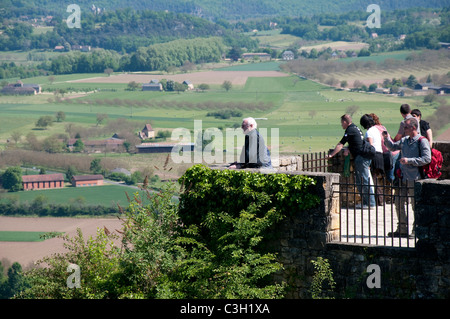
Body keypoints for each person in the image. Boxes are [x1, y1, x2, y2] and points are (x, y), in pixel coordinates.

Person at [382, 118, 431, 238]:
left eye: (406, 127)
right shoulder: (404, 140)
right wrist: (386, 138)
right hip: (402, 177)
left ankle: (415, 230)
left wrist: (409, 161)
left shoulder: (421, 141)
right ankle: (402, 229)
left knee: (415, 205)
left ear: (413, 128)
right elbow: (393, 147)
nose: (403, 129)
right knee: (398, 203)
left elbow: (427, 158)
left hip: (415, 178)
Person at [327, 114, 376, 208]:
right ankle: (366, 202)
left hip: (361, 158)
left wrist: (331, 155)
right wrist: (349, 148)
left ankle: (370, 203)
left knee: (364, 180)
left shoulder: (350, 130)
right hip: (363, 156)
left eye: (342, 123)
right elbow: (356, 142)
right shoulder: (355, 128)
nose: (341, 125)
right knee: (360, 180)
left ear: (345, 122)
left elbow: (340, 144)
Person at [389, 104, 421, 183]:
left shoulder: (404, 123)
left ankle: (397, 182)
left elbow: (398, 137)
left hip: (406, 145)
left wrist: (391, 139)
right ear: (410, 111)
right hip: (417, 144)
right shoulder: (415, 119)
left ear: (401, 113)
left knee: (397, 165)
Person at [360, 114, 384, 205]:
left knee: (372, 179)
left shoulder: (369, 132)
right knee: (375, 179)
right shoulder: (376, 130)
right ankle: (379, 200)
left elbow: (370, 147)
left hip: (374, 155)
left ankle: (379, 200)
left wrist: (369, 161)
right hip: (380, 154)